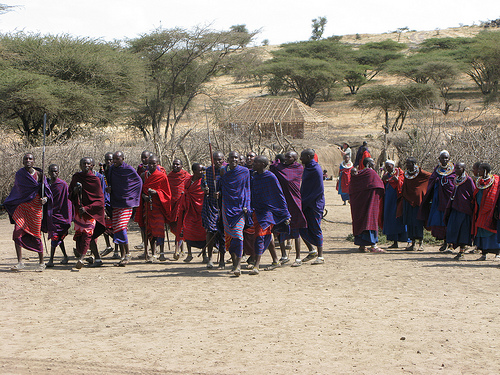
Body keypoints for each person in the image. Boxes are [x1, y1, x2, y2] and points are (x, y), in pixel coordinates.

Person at [4, 153, 53, 272]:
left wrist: (45, 199)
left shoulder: (40, 174)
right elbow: (17, 191)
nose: (28, 160)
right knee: (17, 232)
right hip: (22, 207)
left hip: (35, 208)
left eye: (30, 159)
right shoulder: (20, 174)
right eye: (25, 159)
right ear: (22, 161)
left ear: (34, 162)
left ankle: (41, 262)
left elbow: (47, 191)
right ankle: (20, 262)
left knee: (36, 234)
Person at [248, 156, 290, 275]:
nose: (253, 163)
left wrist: (286, 213)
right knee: (267, 235)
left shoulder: (270, 177)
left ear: (262, 164)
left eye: (256, 162)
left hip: (268, 211)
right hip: (257, 210)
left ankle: (256, 265)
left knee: (261, 235)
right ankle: (276, 260)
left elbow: (279, 195)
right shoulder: (253, 176)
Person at [270, 151, 307, 266]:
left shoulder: (298, 168)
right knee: (280, 228)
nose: (286, 158)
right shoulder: (280, 168)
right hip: (282, 202)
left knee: (296, 229)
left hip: (295, 201)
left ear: (295, 159)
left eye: (289, 157)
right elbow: (272, 166)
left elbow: (287, 178)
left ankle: (298, 258)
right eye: (285, 156)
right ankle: (284, 255)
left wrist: (278, 164)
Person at [69, 157, 106, 269]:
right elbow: (70, 195)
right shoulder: (76, 177)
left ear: (92, 166)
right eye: (83, 163)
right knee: (84, 235)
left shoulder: (95, 180)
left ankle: (81, 258)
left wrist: (87, 208)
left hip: (91, 213)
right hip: (79, 212)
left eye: (88, 164)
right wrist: (75, 191)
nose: (86, 165)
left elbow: (100, 200)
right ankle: (98, 258)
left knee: (87, 233)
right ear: (80, 165)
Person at [219, 151, 251, 276]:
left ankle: (238, 266)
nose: (234, 160)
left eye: (236, 158)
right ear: (228, 159)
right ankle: (234, 262)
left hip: (240, 208)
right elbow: (220, 187)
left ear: (239, 159)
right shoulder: (223, 172)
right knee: (230, 237)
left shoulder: (244, 172)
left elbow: (247, 188)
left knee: (238, 234)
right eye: (231, 157)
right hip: (227, 207)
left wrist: (247, 205)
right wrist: (218, 193)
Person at [108, 151, 143, 266]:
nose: (115, 161)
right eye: (114, 159)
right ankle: (123, 257)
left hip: (127, 203)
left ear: (123, 158)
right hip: (116, 202)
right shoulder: (112, 169)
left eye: (117, 159)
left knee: (122, 227)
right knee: (117, 228)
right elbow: (110, 182)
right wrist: (110, 190)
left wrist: (130, 195)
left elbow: (138, 182)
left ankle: (128, 254)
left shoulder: (128, 169)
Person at [135, 155, 171, 262]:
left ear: (157, 164)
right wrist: (143, 196)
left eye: (153, 163)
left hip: (158, 207)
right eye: (149, 163)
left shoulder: (162, 176)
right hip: (147, 207)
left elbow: (167, 194)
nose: (151, 165)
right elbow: (139, 191)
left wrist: (157, 192)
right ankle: (152, 252)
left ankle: (162, 253)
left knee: (159, 229)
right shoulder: (143, 175)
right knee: (148, 229)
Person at [420, 150, 455, 252]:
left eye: (446, 158)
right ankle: (445, 242)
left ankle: (451, 244)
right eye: (442, 158)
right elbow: (431, 181)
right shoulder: (436, 170)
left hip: (449, 200)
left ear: (449, 159)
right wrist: (437, 182)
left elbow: (455, 183)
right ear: (439, 159)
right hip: (438, 200)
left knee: (450, 220)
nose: (444, 160)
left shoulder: (453, 170)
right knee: (441, 221)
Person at [349, 158, 385, 252]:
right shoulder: (371, 173)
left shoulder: (360, 174)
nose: (374, 163)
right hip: (370, 203)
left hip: (360, 204)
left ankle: (362, 246)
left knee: (361, 221)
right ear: (369, 163)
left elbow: (353, 187)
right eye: (373, 162)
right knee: (370, 220)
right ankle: (373, 246)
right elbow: (379, 185)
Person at [299, 148, 325, 265]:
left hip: (314, 204)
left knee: (316, 228)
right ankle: (312, 250)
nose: (301, 159)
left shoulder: (315, 169)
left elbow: (318, 190)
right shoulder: (308, 168)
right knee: (301, 227)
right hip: (305, 202)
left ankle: (320, 256)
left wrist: (306, 201)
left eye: (303, 156)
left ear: (309, 157)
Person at [445, 162, 475, 260]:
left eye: (458, 168)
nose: (456, 170)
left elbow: (472, 194)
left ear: (463, 169)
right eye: (455, 168)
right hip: (455, 208)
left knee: (463, 231)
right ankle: (451, 246)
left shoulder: (468, 180)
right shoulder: (455, 179)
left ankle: (461, 252)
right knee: (452, 228)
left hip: (464, 210)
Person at [400, 157, 431, 251]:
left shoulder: (421, 172)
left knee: (418, 222)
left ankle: (420, 243)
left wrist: (422, 189)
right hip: (408, 201)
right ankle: (412, 243)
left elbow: (431, 176)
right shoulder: (406, 174)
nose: (407, 165)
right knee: (410, 222)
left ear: (414, 164)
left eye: (408, 163)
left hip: (418, 202)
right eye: (406, 163)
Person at [201, 151, 225, 269]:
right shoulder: (207, 171)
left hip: (223, 205)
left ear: (223, 159)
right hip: (210, 205)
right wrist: (205, 190)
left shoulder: (226, 171)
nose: (217, 162)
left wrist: (220, 193)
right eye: (215, 159)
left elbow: (230, 187)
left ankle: (222, 259)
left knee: (222, 233)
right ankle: (210, 259)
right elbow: (202, 184)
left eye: (219, 159)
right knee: (210, 231)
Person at [179, 163, 207, 264]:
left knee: (203, 232)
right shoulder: (188, 181)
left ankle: (205, 255)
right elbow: (185, 192)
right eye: (200, 171)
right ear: (194, 171)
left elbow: (203, 195)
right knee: (187, 230)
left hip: (201, 210)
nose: (202, 172)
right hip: (189, 209)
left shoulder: (204, 182)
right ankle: (189, 254)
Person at [472, 163, 500, 261]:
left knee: (492, 231)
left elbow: (496, 196)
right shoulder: (479, 182)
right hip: (480, 211)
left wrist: (496, 209)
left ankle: (497, 253)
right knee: (481, 230)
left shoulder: (496, 181)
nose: (477, 171)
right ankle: (483, 253)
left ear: (485, 171)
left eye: (479, 170)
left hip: (491, 211)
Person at [46, 164, 72, 267]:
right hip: (51, 214)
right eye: (51, 171)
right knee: (56, 237)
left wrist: (69, 215)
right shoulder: (46, 185)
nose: (53, 173)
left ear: (58, 172)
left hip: (61, 215)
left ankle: (52, 260)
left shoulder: (63, 185)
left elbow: (68, 201)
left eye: (55, 171)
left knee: (57, 237)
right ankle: (64, 257)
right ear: (48, 173)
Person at [167, 158, 191, 260]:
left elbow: (190, 188)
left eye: (178, 164)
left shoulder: (186, 176)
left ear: (182, 165)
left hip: (183, 205)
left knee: (181, 228)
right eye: (174, 164)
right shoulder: (169, 177)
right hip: (172, 205)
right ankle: (181, 249)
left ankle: (177, 250)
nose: (175, 166)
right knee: (176, 227)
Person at [381, 160, 407, 249]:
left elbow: (404, 184)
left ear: (393, 166)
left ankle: (407, 241)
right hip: (389, 201)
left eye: (389, 166)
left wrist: (398, 181)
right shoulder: (386, 175)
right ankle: (394, 242)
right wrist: (383, 181)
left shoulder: (400, 173)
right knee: (390, 219)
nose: (387, 168)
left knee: (399, 218)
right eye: (386, 167)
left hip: (397, 200)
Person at [98, 152, 120, 259]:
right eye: (107, 160)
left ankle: (116, 250)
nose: (109, 162)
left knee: (116, 227)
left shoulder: (118, 171)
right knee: (105, 226)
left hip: (115, 202)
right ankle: (108, 246)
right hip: (106, 202)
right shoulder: (103, 172)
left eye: (111, 160)